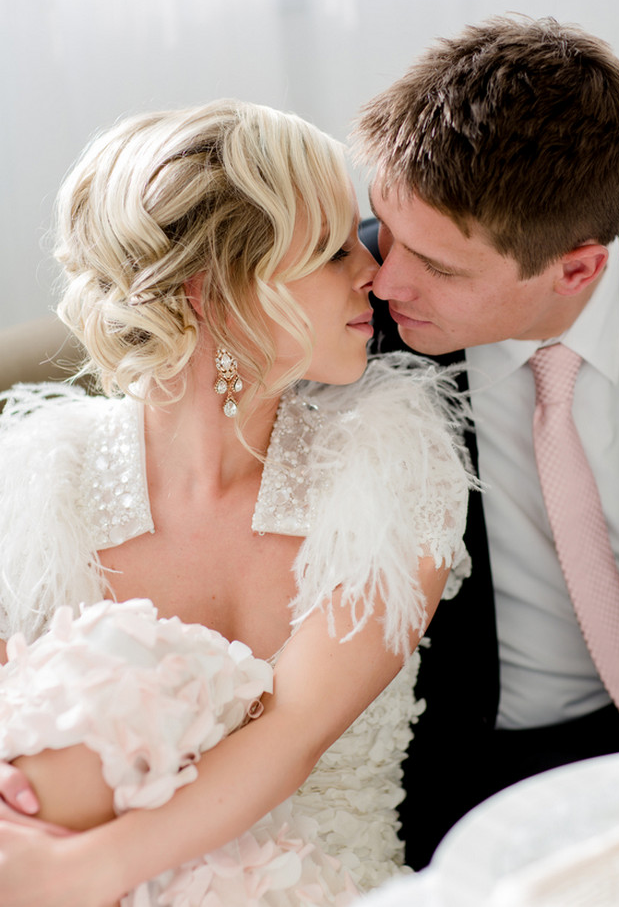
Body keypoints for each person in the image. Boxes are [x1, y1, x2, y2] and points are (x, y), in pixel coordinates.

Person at [0, 99, 474, 906]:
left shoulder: (389, 458)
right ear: (211, 287)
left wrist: (79, 875)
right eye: (329, 251)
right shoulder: (40, 476)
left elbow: (291, 734)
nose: (370, 270)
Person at [353, 14, 619, 869]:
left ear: (576, 270)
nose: (383, 277)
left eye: (439, 266)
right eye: (386, 229)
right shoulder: (341, 327)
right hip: (466, 773)